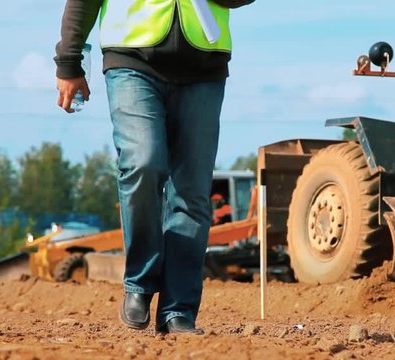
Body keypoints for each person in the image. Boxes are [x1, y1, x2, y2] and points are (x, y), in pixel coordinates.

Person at [54, 0, 255, 335]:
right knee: (142, 162)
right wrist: (68, 62)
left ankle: (179, 311)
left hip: (204, 67)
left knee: (191, 192)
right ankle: (139, 283)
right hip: (131, 59)